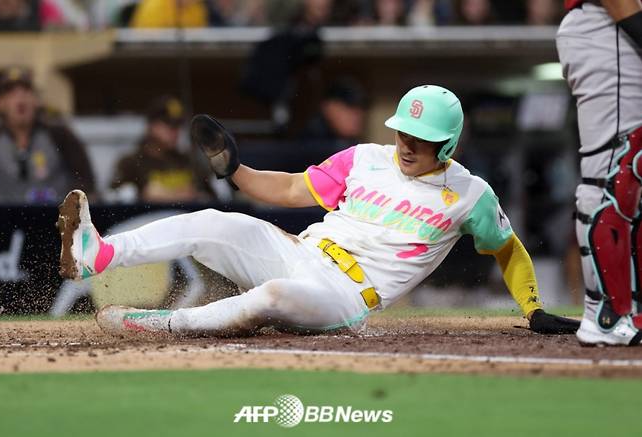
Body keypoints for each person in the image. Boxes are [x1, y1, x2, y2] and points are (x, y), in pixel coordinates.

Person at [56, 85, 578, 337]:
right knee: (217, 222)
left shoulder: (471, 194)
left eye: (422, 138)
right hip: (300, 251)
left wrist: (532, 309)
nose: (407, 143)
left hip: (345, 297)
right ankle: (98, 255)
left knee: (276, 297)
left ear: (448, 144)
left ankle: (168, 324)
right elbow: (287, 191)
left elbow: (508, 250)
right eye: (403, 131)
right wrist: (235, 170)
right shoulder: (364, 158)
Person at [556, 0, 642, 345]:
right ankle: (607, 313)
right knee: (616, 172)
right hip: (610, 26)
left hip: (620, 29)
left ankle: (630, 308)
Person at [0, 67, 95, 204]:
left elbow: (85, 181)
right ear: (0, 104)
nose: (20, 99)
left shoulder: (60, 136)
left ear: (37, 100)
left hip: (54, 219)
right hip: (1, 220)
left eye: (26, 92)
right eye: (11, 94)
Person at [109, 95, 215, 203]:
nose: (174, 131)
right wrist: (142, 195)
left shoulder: (189, 161)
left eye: (178, 125)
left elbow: (213, 198)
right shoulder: (131, 163)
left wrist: (192, 194)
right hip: (147, 218)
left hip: (186, 218)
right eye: (169, 124)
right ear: (151, 125)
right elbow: (112, 200)